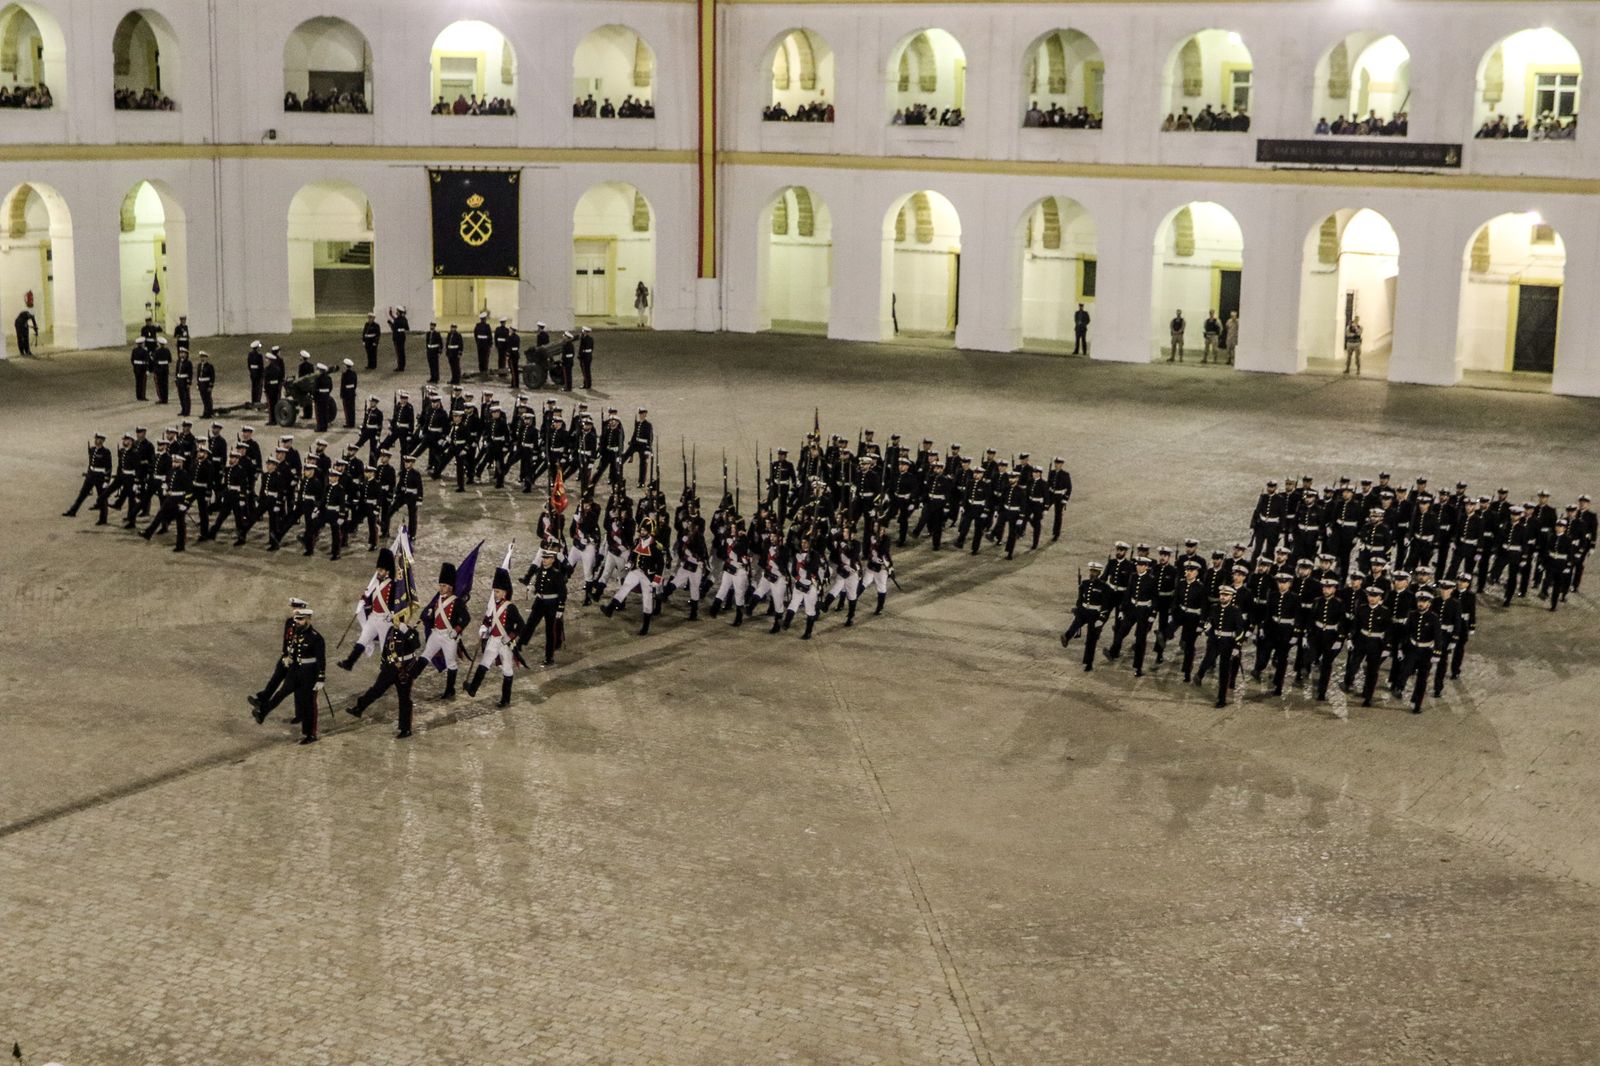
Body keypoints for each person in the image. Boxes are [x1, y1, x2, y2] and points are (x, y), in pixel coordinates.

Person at [248, 605, 326, 744]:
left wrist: (320, 677)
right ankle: (263, 712)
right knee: (281, 693)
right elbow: (293, 648)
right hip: (295, 670)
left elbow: (321, 659)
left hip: (309, 674)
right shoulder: (297, 632)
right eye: (297, 619)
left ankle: (310, 734)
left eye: (301, 619)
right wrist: (288, 656)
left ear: (308, 620)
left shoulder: (316, 638)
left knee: (308, 704)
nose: (297, 622)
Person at [346, 619, 422, 738]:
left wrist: (407, 631)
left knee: (404, 699)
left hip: (405, 670)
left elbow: (416, 645)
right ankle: (359, 708)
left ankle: (405, 729)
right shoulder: (391, 631)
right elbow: (387, 649)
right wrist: (383, 663)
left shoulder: (411, 631)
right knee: (376, 689)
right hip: (390, 668)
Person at [463, 568, 522, 706]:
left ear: (505, 592)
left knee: (507, 670)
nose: (495, 594)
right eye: (494, 591)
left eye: (498, 591)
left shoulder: (511, 608)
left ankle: (505, 699)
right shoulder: (494, 606)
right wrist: (485, 627)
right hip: (493, 640)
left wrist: (510, 637)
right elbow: (489, 620)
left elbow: (521, 625)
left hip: (504, 643)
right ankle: (473, 688)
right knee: (484, 664)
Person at [337, 548, 396, 670]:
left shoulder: (393, 585)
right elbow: (372, 598)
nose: (378, 572)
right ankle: (349, 663)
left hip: (385, 620)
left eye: (381, 570)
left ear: (387, 571)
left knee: (386, 647)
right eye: (378, 569)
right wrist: (364, 600)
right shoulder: (377, 583)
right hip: (373, 617)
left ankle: (388, 670)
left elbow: (397, 603)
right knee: (362, 640)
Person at [1193, 585, 1245, 708]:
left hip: (1228, 643)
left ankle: (1221, 698)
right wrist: (1207, 630)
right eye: (1221, 594)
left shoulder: (1235, 611)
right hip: (1214, 640)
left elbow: (1240, 630)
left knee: (1224, 670)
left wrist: (1237, 647)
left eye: (1226, 595)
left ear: (1231, 597)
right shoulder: (1214, 608)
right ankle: (1200, 674)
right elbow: (1210, 621)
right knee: (1208, 659)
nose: (1223, 597)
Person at [517, 548, 569, 665]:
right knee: (530, 624)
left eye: (547, 558)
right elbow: (538, 584)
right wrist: (533, 589)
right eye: (544, 558)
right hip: (540, 602)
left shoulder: (557, 575)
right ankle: (520, 644)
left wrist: (560, 607)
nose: (544, 560)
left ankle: (549, 657)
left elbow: (562, 592)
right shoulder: (540, 570)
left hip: (552, 604)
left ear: (552, 560)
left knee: (550, 631)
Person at [1060, 562, 1112, 670]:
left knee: (1091, 639)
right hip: (1084, 610)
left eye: (1095, 572)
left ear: (1099, 573)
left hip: (1095, 613)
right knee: (1076, 623)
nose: (1092, 574)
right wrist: (1078, 609)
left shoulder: (1104, 587)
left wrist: (1101, 618)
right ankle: (1067, 636)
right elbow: (1080, 599)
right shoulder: (1084, 583)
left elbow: (1106, 604)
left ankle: (1088, 663)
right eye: (1091, 571)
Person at [62, 433, 113, 524]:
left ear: (103, 441)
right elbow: (91, 464)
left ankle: (103, 519)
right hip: (91, 475)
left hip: (100, 476)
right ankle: (73, 511)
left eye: (100, 439)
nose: (98, 441)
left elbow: (109, 467)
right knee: (82, 494)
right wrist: (88, 474)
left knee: (102, 498)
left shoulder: (106, 452)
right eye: (97, 439)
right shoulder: (92, 450)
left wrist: (107, 480)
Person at [388, 306, 409, 371]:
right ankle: (402, 365)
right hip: (402, 337)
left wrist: (390, 323)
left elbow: (393, 328)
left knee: (399, 353)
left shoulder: (397, 320)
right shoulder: (404, 319)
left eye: (397, 311)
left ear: (399, 312)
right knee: (402, 352)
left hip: (397, 338)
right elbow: (407, 328)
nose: (396, 312)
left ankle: (400, 366)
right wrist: (391, 315)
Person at [195, 351, 215, 419]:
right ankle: (205, 412)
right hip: (201, 384)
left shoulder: (209, 366)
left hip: (206, 384)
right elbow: (198, 376)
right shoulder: (199, 365)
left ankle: (209, 413)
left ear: (206, 358)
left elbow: (212, 377)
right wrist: (198, 384)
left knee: (208, 399)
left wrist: (210, 386)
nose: (202, 358)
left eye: (203, 357)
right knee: (204, 399)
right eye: (201, 357)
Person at [339, 359, 358, 428]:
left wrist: (341, 393)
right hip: (352, 392)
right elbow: (355, 383)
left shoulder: (344, 374)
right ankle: (352, 422)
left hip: (346, 393)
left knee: (347, 409)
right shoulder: (354, 373)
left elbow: (343, 385)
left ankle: (348, 422)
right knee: (352, 408)